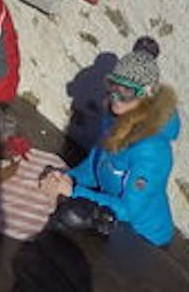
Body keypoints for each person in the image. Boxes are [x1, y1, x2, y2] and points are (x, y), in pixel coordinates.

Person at [39, 37, 180, 246]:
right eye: (113, 85)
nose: (116, 96)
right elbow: (94, 169)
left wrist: (73, 191)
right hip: (107, 219)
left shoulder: (153, 149)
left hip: (142, 239)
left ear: (146, 96)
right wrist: (64, 178)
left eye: (127, 92)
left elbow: (131, 210)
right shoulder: (113, 120)